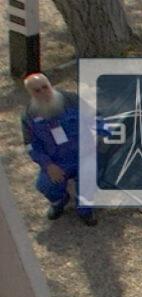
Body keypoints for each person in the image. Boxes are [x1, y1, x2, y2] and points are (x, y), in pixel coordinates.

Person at [18, 72, 91, 226]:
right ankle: (59, 202)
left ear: (50, 85)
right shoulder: (28, 116)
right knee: (45, 185)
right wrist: (48, 165)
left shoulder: (72, 100)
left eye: (45, 87)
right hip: (57, 161)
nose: (43, 92)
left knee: (91, 177)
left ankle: (84, 209)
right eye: (36, 90)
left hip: (82, 155)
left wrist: (98, 137)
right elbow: (31, 145)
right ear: (30, 93)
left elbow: (96, 118)